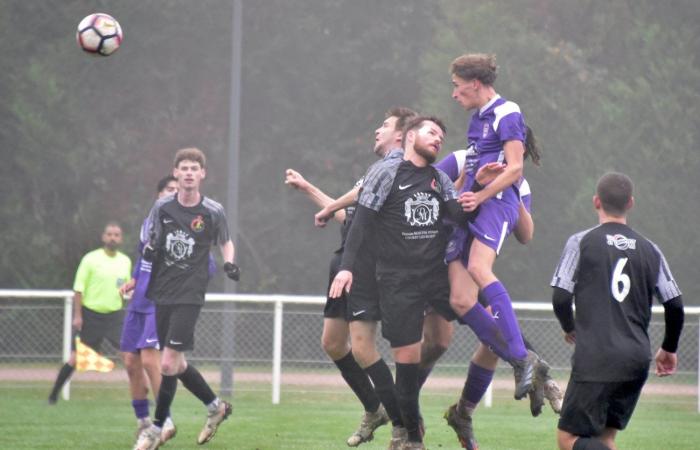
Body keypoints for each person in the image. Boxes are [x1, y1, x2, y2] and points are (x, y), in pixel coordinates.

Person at [330, 115, 478, 450]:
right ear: (409, 136)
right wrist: (346, 267)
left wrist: (481, 190)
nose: (439, 139)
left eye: (442, 135)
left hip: (433, 277)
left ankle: (525, 360)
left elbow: (459, 217)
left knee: (480, 315)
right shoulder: (385, 172)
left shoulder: (440, 178)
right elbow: (360, 223)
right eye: (432, 132)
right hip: (394, 281)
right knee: (398, 363)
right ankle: (409, 435)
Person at [287, 107, 417, 448]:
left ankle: (403, 427)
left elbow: (352, 201)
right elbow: (349, 215)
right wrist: (308, 189)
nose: (377, 130)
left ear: (401, 136)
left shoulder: (395, 167)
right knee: (332, 343)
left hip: (363, 268)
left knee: (363, 348)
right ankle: (374, 410)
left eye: (384, 125)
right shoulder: (374, 171)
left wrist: (328, 208)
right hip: (342, 262)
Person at [550, 172, 684, 450]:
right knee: (605, 439)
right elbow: (674, 304)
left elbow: (561, 297)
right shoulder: (651, 250)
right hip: (636, 358)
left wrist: (570, 327)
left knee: (567, 440)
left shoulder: (581, 242)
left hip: (596, 356)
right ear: (630, 203)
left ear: (596, 202)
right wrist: (668, 348)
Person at [134, 148, 241, 450]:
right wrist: (149, 251)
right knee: (177, 364)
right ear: (176, 173)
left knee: (166, 363)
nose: (190, 173)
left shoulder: (212, 211)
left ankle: (156, 428)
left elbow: (225, 240)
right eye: (185, 168)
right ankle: (215, 406)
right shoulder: (162, 208)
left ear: (203, 174)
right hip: (162, 291)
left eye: (195, 168)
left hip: (190, 293)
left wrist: (229, 262)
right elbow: (149, 241)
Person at [447, 53, 539, 404]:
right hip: (474, 205)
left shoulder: (507, 111)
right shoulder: (477, 120)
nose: (454, 94)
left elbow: (514, 169)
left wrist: (483, 192)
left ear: (475, 83)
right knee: (460, 297)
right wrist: (461, 193)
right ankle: (521, 359)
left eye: (457, 87)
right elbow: (467, 172)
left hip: (495, 203)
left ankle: (521, 358)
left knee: (478, 268)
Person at [118, 175, 178, 442]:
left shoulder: (181, 226)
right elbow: (143, 255)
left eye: (177, 191)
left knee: (150, 359)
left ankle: (164, 420)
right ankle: (143, 421)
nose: (172, 193)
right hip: (139, 298)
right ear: (158, 194)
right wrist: (133, 278)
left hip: (159, 299)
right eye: (168, 189)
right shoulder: (148, 223)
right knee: (130, 361)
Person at [48, 222, 132, 404]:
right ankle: (53, 395)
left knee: (128, 356)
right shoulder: (90, 259)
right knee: (75, 358)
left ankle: (139, 397)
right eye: (109, 234)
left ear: (121, 239)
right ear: (103, 237)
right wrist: (78, 316)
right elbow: (78, 289)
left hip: (115, 316)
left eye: (116, 235)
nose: (113, 238)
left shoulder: (125, 261)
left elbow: (125, 288)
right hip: (91, 315)